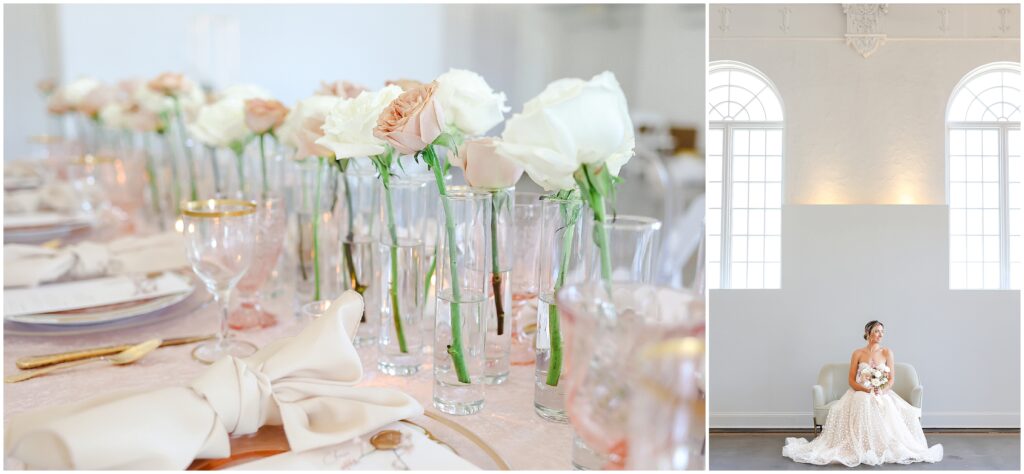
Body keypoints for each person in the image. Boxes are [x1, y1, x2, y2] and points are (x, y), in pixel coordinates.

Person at [782, 320, 943, 466]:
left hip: (881, 391)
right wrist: (867, 389)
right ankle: (860, 444)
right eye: (876, 331)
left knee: (882, 402)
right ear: (867, 333)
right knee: (862, 400)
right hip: (860, 390)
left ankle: (879, 445)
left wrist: (881, 389)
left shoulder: (887, 352)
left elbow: (891, 379)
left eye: (882, 332)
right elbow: (851, 380)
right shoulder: (858, 353)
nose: (880, 335)